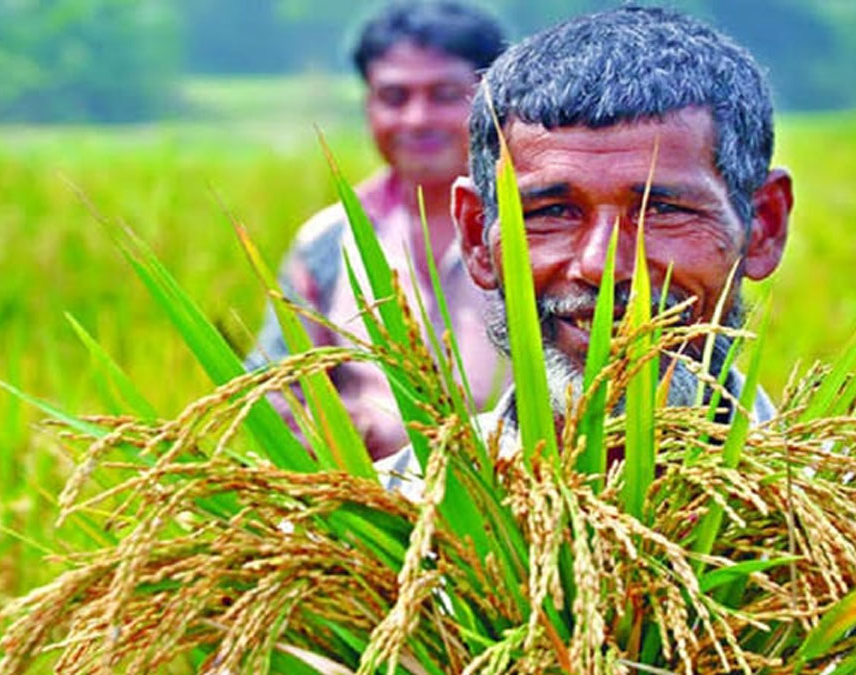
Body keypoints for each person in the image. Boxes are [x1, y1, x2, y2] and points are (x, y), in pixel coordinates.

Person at [378, 5, 793, 492]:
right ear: (477, 237)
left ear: (763, 227)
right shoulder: (391, 517)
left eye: (663, 210)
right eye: (552, 213)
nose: (600, 265)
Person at [245, 2, 508, 460]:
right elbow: (272, 394)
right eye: (394, 97)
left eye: (445, 95)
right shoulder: (329, 241)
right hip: (373, 512)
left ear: (490, 100)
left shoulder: (545, 227)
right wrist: (344, 431)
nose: (417, 120)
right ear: (368, 103)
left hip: (526, 505)